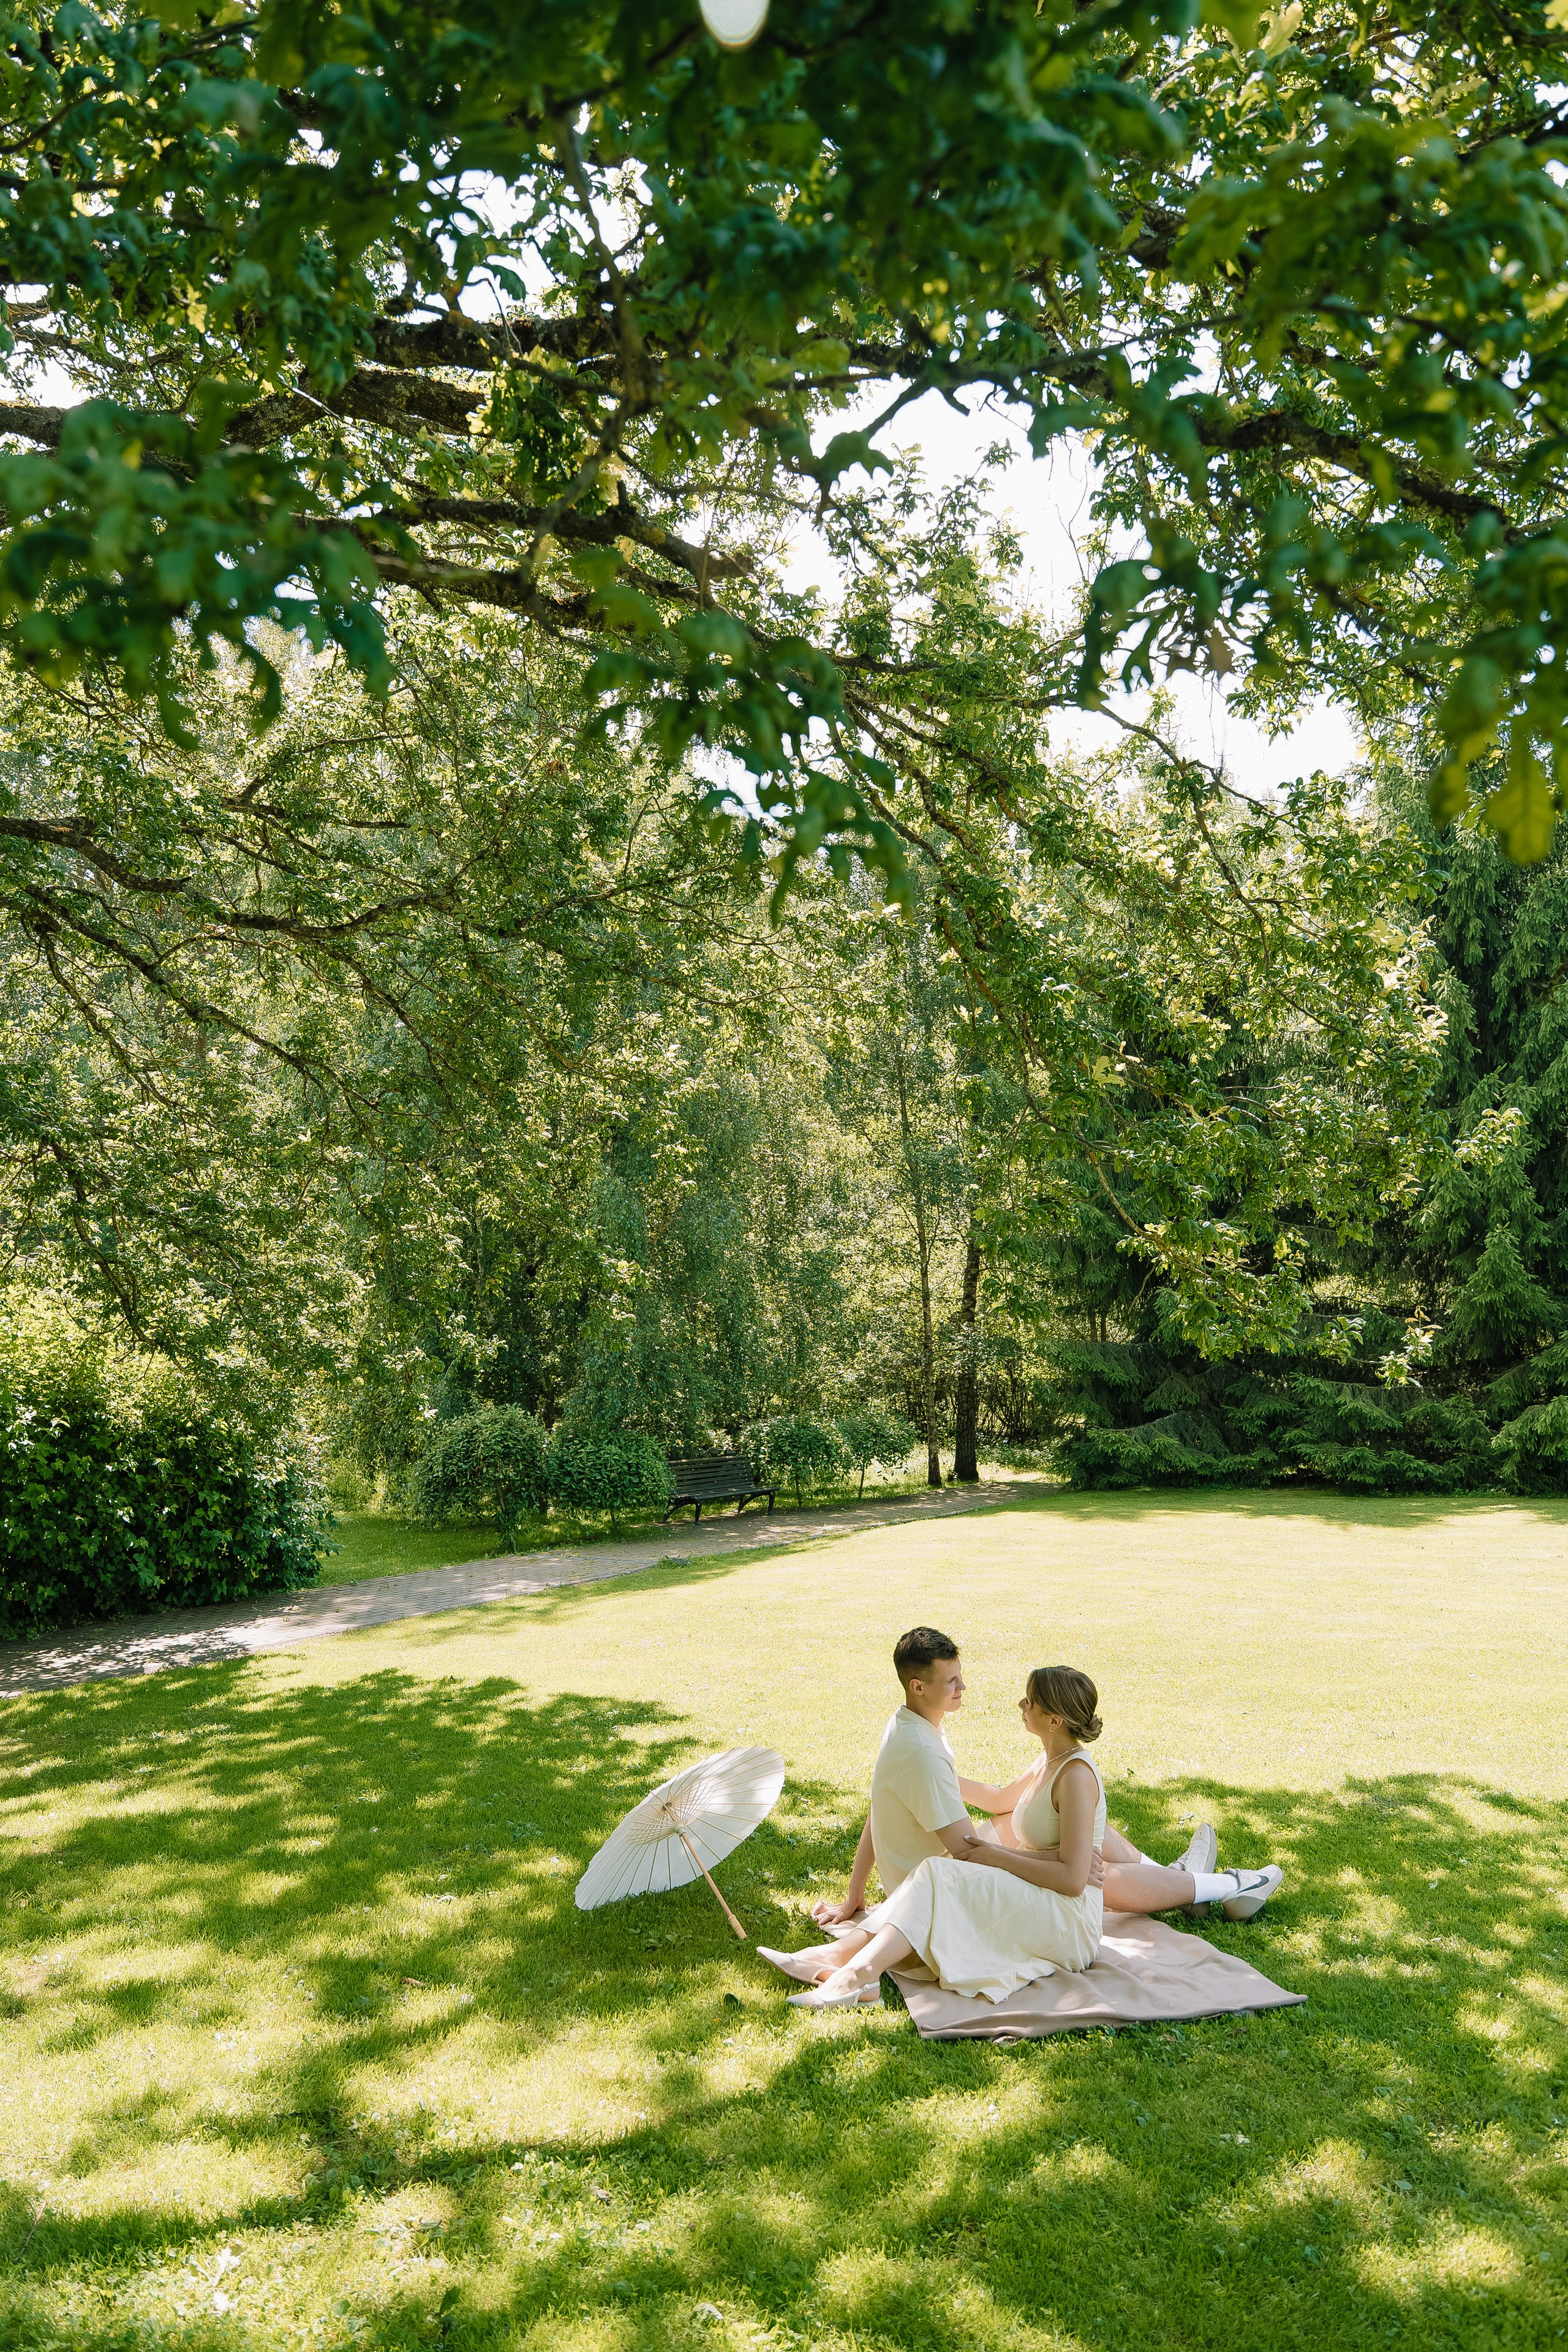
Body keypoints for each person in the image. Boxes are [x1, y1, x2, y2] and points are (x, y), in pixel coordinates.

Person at [761, 1626, 1281, 2008]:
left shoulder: (1075, 1776)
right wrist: (920, 1781)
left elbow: (1074, 1880)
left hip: (1069, 1917)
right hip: (1055, 1887)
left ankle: (1220, 1884)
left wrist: (1001, 1854)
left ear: (1053, 1719)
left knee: (970, 1866)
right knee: (1012, 1855)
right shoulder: (1049, 1759)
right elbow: (998, 1800)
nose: (1019, 1704)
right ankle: (851, 1971)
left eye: (1029, 1701)